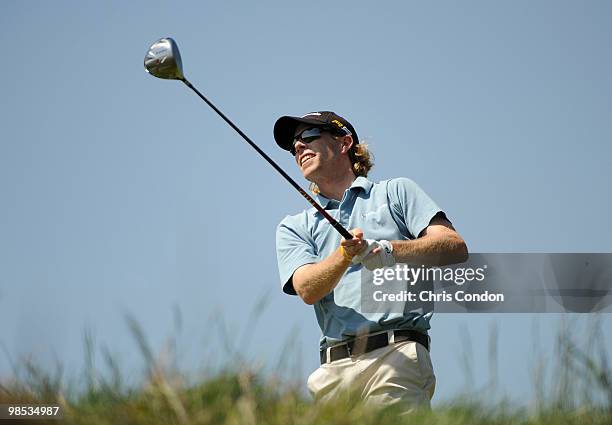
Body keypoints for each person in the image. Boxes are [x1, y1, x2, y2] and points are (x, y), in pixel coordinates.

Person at [273, 111, 468, 411]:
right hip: (332, 372)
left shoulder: (396, 193)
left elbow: (454, 246)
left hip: (396, 355)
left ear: (344, 143)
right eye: (294, 145)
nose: (299, 146)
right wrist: (344, 255)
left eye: (309, 135)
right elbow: (307, 289)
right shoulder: (294, 226)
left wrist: (389, 251)